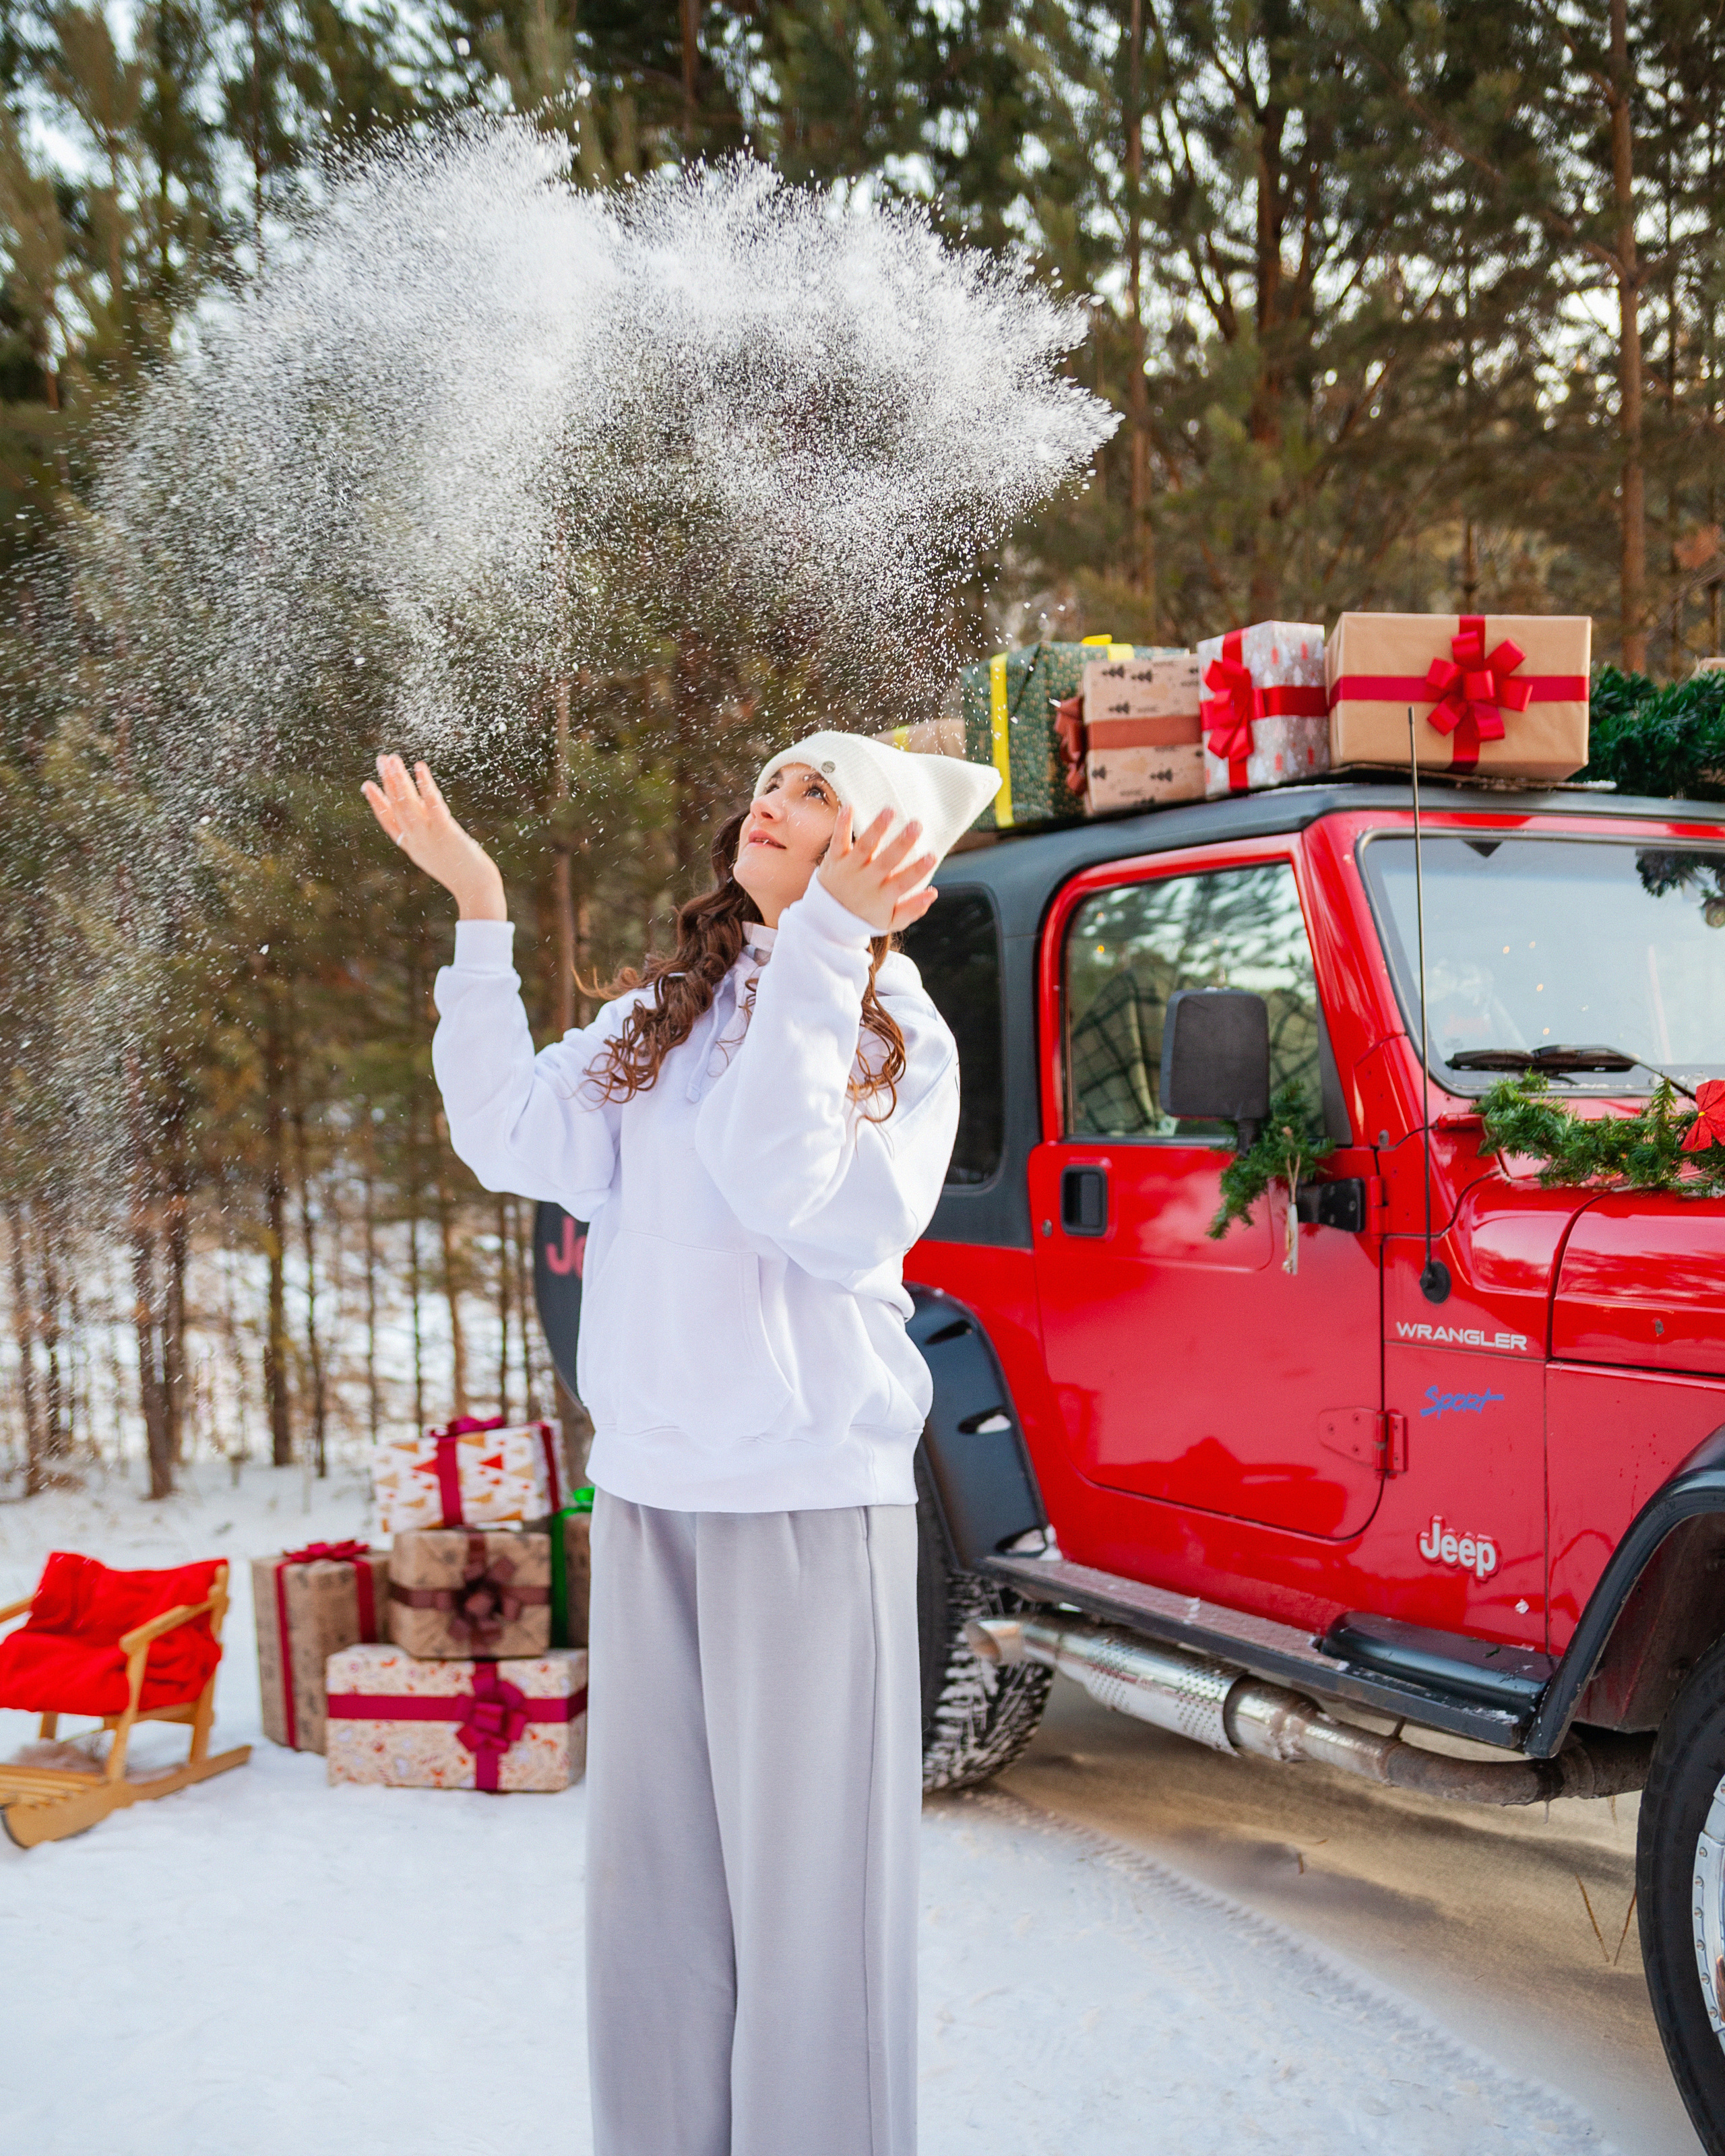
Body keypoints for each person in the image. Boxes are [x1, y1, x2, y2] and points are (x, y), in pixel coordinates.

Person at [361, 730, 1000, 2156]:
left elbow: (789, 1188)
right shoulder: (669, 1014)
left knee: (810, 1918)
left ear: (879, 845)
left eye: (817, 792)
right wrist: (477, 910)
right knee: (653, 1906)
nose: (771, 803)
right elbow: (508, 1132)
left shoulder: (898, 1034)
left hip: (802, 1509)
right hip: (651, 1492)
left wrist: (829, 942)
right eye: (770, 782)